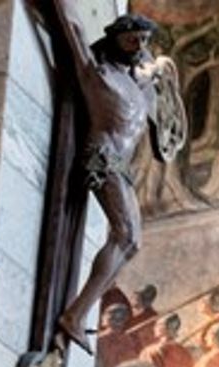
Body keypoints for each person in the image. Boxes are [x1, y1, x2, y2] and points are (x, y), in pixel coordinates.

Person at [36, 3, 183, 348]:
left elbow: (166, 114)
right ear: (116, 39)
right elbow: (72, 27)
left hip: (121, 166)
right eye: (132, 39)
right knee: (127, 234)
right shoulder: (96, 74)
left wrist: (161, 71)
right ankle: (74, 315)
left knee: (131, 242)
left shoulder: (138, 86)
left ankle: (77, 313)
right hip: (101, 157)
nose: (138, 46)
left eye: (143, 40)